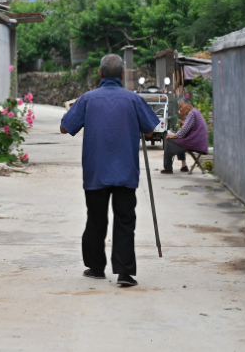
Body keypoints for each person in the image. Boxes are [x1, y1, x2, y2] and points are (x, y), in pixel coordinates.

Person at [60, 54, 159, 287]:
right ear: (123, 75)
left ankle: (96, 268)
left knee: (96, 218)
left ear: (100, 74)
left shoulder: (87, 99)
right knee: (125, 220)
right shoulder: (133, 99)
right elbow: (151, 132)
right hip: (125, 171)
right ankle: (125, 273)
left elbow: (65, 127)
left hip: (96, 171)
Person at [161, 98, 209, 174]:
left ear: (189, 104)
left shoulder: (191, 113)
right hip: (200, 143)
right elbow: (191, 127)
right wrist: (183, 124)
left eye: (181, 106)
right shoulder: (196, 112)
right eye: (179, 107)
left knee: (168, 141)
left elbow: (183, 131)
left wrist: (173, 136)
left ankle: (168, 168)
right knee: (181, 140)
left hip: (195, 142)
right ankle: (184, 166)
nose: (181, 109)